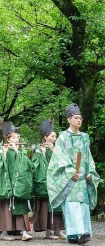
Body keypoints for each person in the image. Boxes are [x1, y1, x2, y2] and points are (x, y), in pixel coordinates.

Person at [47, 103, 100, 244]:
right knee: (72, 205)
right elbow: (59, 156)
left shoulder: (84, 137)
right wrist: (71, 172)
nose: (79, 120)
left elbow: (88, 156)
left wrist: (90, 172)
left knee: (82, 205)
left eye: (80, 118)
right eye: (76, 118)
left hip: (83, 178)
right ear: (69, 119)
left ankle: (83, 232)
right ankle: (75, 233)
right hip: (70, 178)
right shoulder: (63, 137)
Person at [0, 122, 33, 241]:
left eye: (17, 137)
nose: (17, 139)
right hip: (7, 185)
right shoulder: (2, 151)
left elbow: (29, 166)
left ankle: (24, 232)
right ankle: (4, 233)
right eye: (14, 137)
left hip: (18, 185)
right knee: (5, 207)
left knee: (20, 206)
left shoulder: (22, 152)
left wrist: (17, 152)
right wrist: (4, 155)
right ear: (8, 139)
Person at [32, 119, 66, 239]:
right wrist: (42, 153)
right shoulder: (38, 149)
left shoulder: (57, 148)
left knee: (58, 206)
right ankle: (48, 231)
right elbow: (35, 164)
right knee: (46, 207)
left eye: (55, 136)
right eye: (52, 136)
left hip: (56, 181)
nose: (54, 138)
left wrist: (53, 150)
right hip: (45, 182)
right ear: (45, 137)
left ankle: (58, 230)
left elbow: (62, 161)